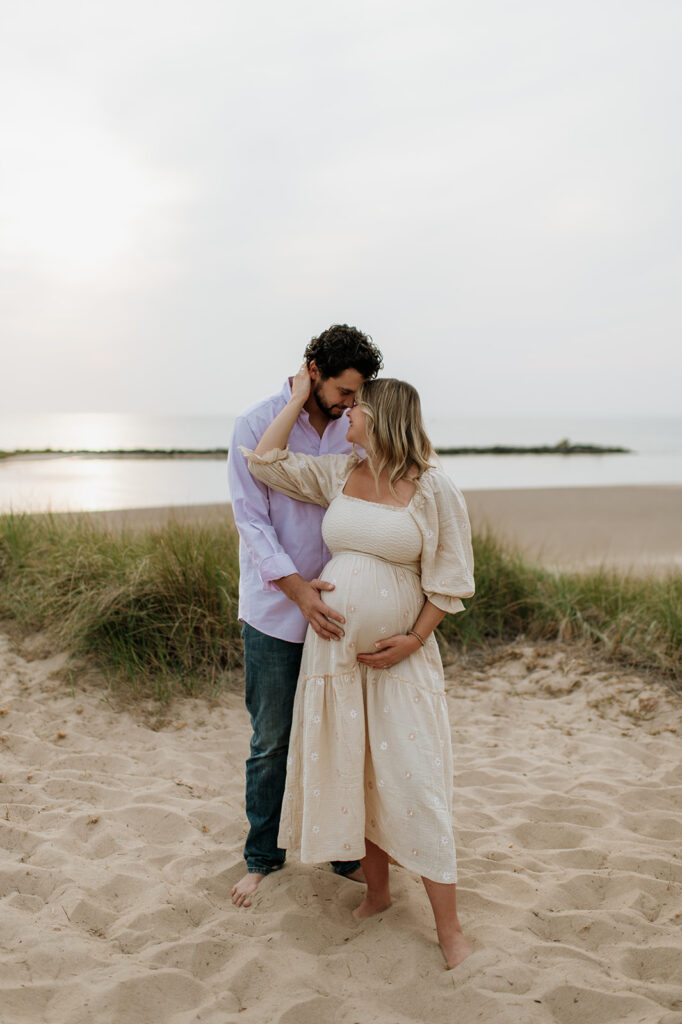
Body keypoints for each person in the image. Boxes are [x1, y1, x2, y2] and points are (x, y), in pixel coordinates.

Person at [238, 369, 475, 969]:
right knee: (357, 765)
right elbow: (265, 462)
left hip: (400, 660)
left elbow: (450, 581)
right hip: (335, 657)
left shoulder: (433, 488)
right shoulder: (341, 473)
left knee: (413, 778)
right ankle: (377, 893)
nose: (347, 417)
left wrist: (413, 640)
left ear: (383, 416)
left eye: (357, 409)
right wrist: (296, 398)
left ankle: (449, 929)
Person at [227, 324, 384, 908]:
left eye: (358, 395)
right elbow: (252, 521)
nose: (350, 404)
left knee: (339, 732)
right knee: (272, 741)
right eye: (343, 391)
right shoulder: (255, 423)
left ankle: (344, 855)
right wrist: (298, 591)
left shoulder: (357, 428)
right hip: (277, 608)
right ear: (312, 372)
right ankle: (263, 858)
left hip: (342, 609)